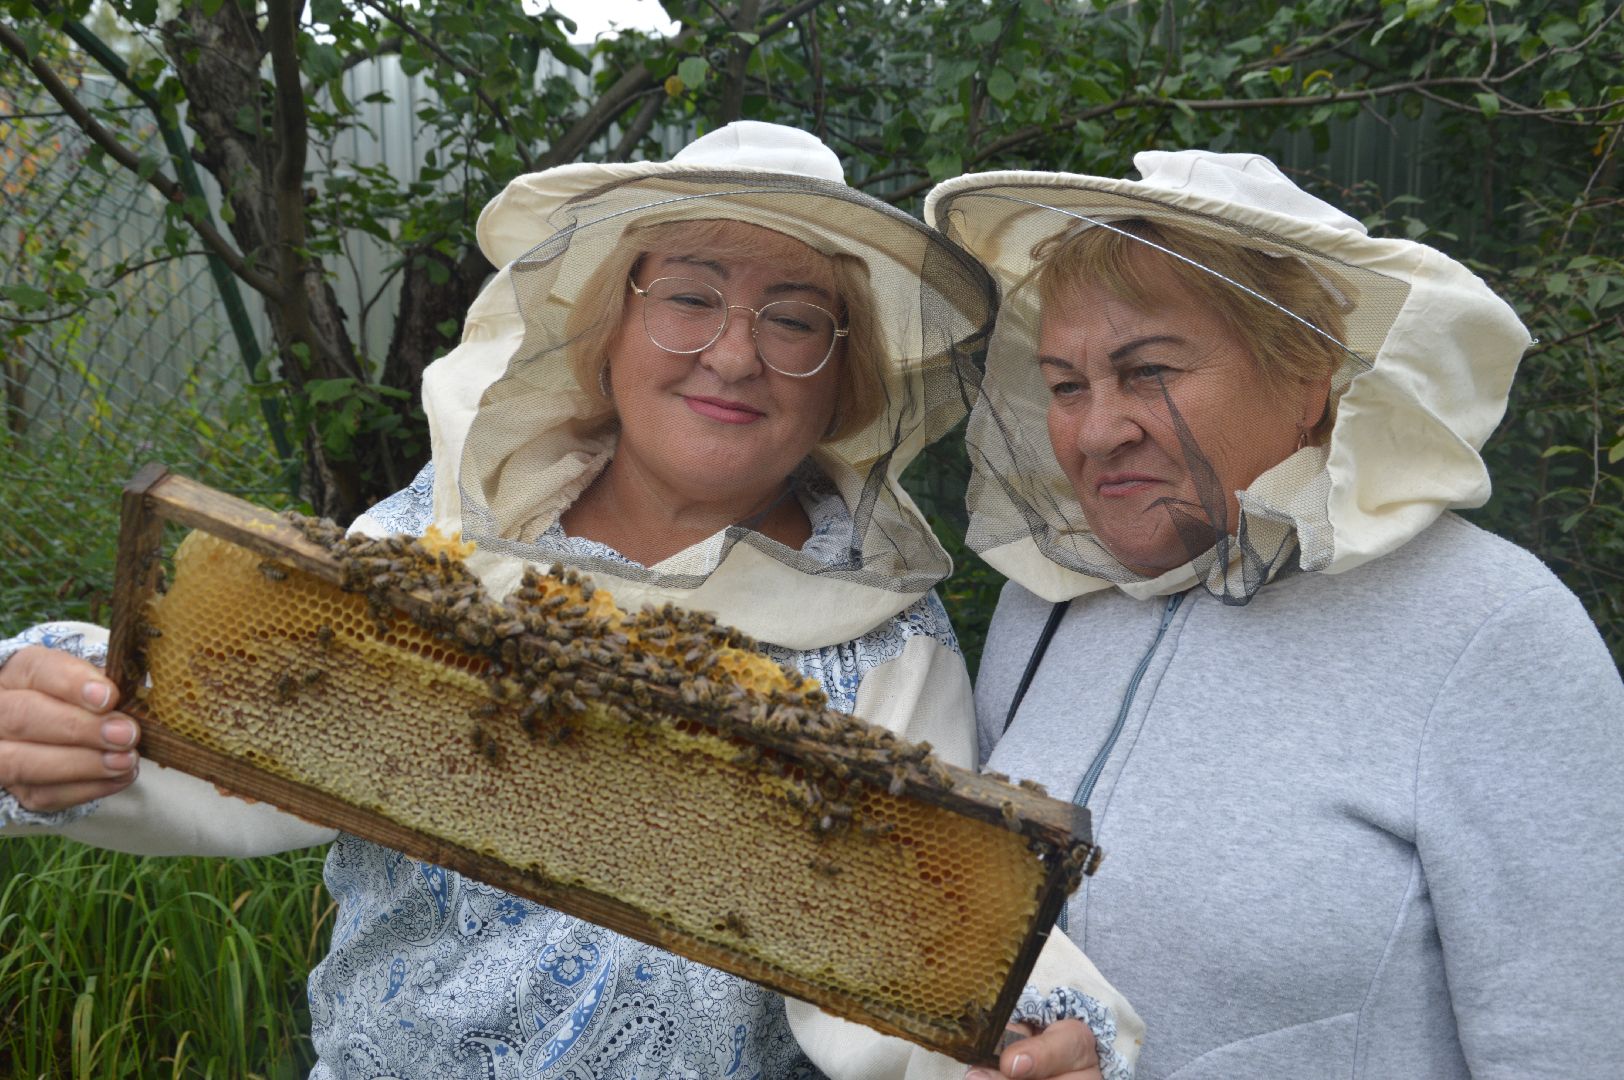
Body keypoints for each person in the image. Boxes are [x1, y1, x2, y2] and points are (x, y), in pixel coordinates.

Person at [0, 123, 1138, 1080]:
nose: (732, 355)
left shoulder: (886, 642)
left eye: (794, 319)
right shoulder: (446, 530)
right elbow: (261, 728)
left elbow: (912, 929)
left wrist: (1029, 1034)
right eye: (689, 297)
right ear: (608, 327)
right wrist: (70, 716)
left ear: (846, 376)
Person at [925, 151, 1624, 1079]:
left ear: (1307, 376)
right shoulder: (1043, 609)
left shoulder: (1494, 632)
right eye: (1065, 385)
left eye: (1149, 371)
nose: (1096, 432)